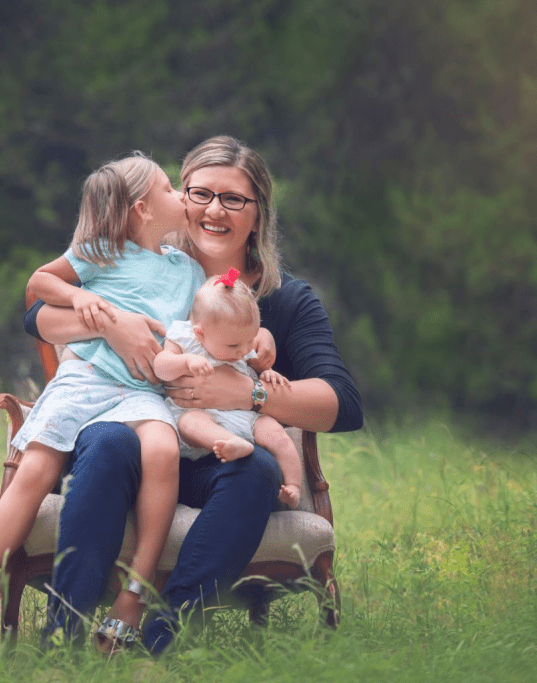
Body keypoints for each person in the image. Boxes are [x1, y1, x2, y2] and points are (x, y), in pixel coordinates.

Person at [26, 135, 364, 655]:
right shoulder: (141, 262)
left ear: (259, 214)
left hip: (211, 462)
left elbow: (342, 402)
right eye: (199, 193)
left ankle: (159, 639)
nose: (213, 210)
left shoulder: (285, 300)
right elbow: (37, 313)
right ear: (177, 196)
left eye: (233, 199)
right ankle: (62, 640)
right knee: (111, 441)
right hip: (134, 443)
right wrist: (113, 325)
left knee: (258, 469)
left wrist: (247, 393)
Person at [0, 152, 205, 666]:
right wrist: (83, 303)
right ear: (144, 210)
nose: (182, 197)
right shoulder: (103, 251)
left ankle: (133, 596)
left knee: (164, 452)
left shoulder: (188, 271)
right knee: (34, 468)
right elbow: (39, 284)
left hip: (145, 392)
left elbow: (194, 330)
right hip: (85, 379)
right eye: (171, 189)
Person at [153, 268, 302, 509]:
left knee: (276, 434)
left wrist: (268, 373)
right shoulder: (183, 339)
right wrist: (185, 362)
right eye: (234, 345)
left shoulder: (241, 344)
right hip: (201, 415)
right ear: (200, 334)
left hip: (244, 415)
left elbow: (255, 369)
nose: (244, 350)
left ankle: (294, 486)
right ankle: (231, 442)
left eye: (250, 339)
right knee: (190, 423)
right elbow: (160, 367)